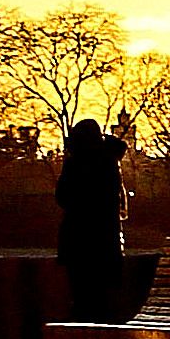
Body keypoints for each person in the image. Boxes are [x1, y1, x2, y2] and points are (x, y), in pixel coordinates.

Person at [53, 119, 127, 325]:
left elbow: (62, 196)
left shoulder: (76, 163)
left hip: (78, 238)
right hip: (105, 239)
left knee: (82, 295)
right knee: (103, 297)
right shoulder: (110, 161)